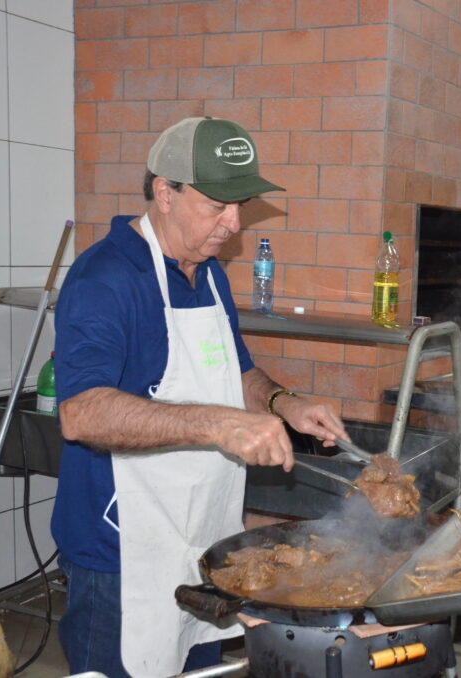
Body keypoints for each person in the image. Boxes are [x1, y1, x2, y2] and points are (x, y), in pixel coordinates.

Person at [51, 116, 350, 678]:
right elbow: (80, 412)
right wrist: (219, 425)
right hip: (122, 551)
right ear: (165, 193)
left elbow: (235, 371)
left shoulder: (209, 273)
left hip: (205, 539)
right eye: (218, 205)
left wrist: (283, 402)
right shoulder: (105, 278)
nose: (233, 225)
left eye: (242, 206)